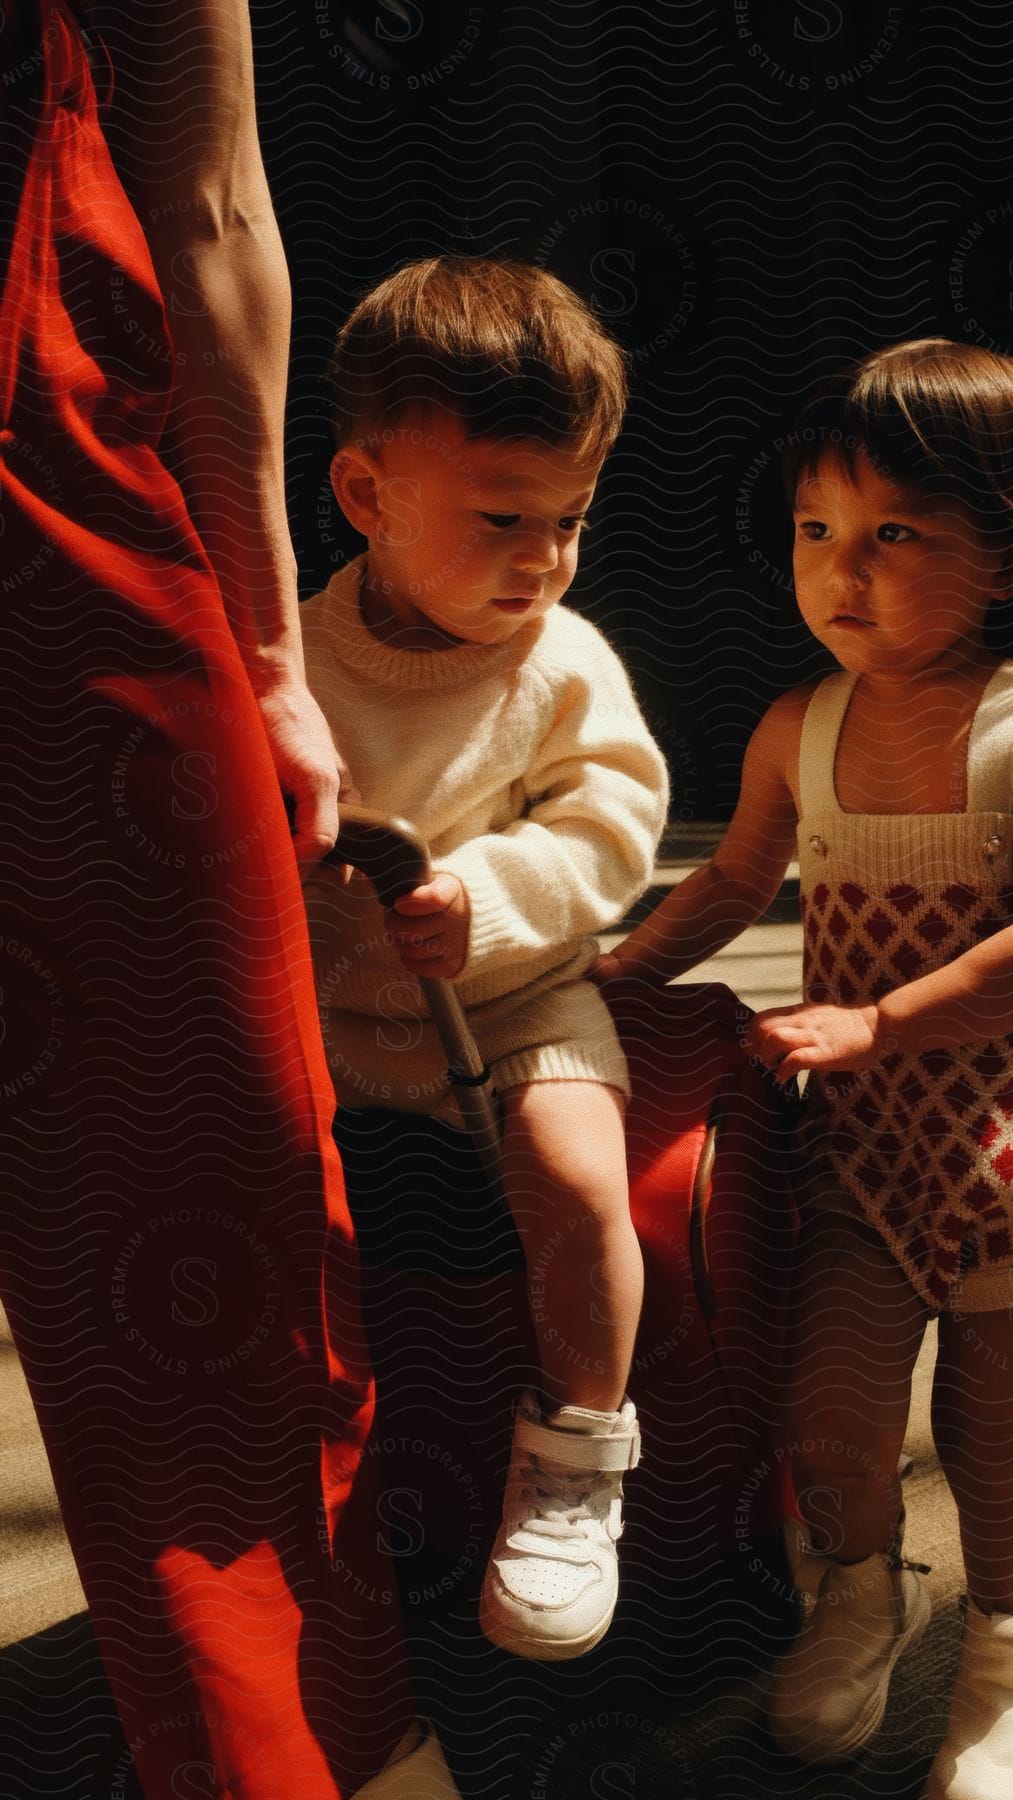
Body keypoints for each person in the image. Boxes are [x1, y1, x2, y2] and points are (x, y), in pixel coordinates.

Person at [0, 3, 457, 1794]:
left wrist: (269, 645)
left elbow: (204, 188)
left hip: (52, 479)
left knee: (206, 1196)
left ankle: (297, 1763)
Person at [596, 339, 1013, 1795]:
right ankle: (857, 1595)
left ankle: (1000, 1660)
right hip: (856, 1145)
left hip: (1001, 1148)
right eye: (814, 533)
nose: (842, 569)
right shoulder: (799, 725)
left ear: (1001, 555)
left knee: (995, 1423)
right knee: (828, 1408)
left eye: (894, 534)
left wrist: (885, 1020)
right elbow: (722, 888)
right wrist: (611, 980)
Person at [300, 255, 669, 1663]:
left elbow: (615, 826)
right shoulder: (293, 658)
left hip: (516, 1004)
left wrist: (496, 896)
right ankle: (283, 1448)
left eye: (570, 518)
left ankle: (578, 1452)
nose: (544, 558)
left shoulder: (560, 661)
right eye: (503, 518)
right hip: (326, 1016)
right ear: (366, 496)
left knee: (579, 1180)